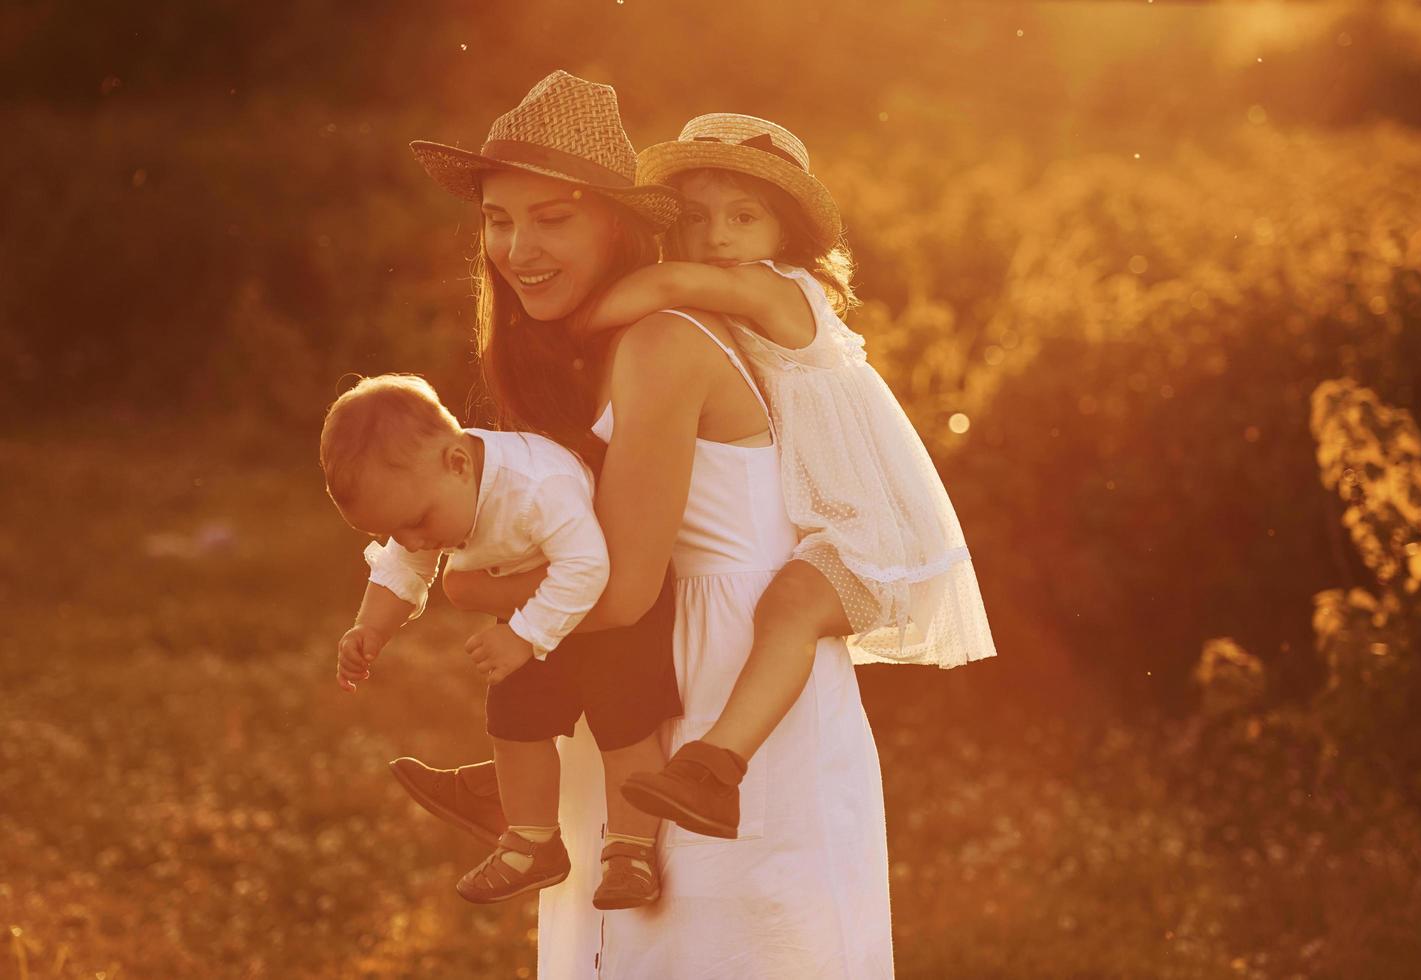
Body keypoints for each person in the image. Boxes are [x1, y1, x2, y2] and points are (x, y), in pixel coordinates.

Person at [408, 70, 895, 976]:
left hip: (723, 694)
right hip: (630, 694)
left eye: (553, 217)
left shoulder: (663, 343)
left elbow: (623, 586)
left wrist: (476, 587)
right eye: (500, 220)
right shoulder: (576, 352)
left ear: (623, 223)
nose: (519, 247)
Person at [578, 113, 997, 839]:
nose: (717, 237)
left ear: (788, 236)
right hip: (827, 526)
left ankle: (716, 770)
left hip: (875, 535)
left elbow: (666, 281)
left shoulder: (783, 290)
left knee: (790, 610)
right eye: (697, 218)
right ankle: (528, 773)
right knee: (767, 610)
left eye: (744, 217)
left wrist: (565, 326)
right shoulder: (725, 301)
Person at [319, 373, 678, 910]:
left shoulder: (536, 487)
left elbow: (588, 566)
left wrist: (524, 636)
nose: (418, 542)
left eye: (417, 524)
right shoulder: (431, 494)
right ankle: (533, 841)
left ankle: (631, 850)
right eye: (398, 530)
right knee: (513, 719)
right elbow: (404, 565)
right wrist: (370, 628)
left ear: (459, 463)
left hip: (606, 612)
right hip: (530, 607)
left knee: (625, 723)